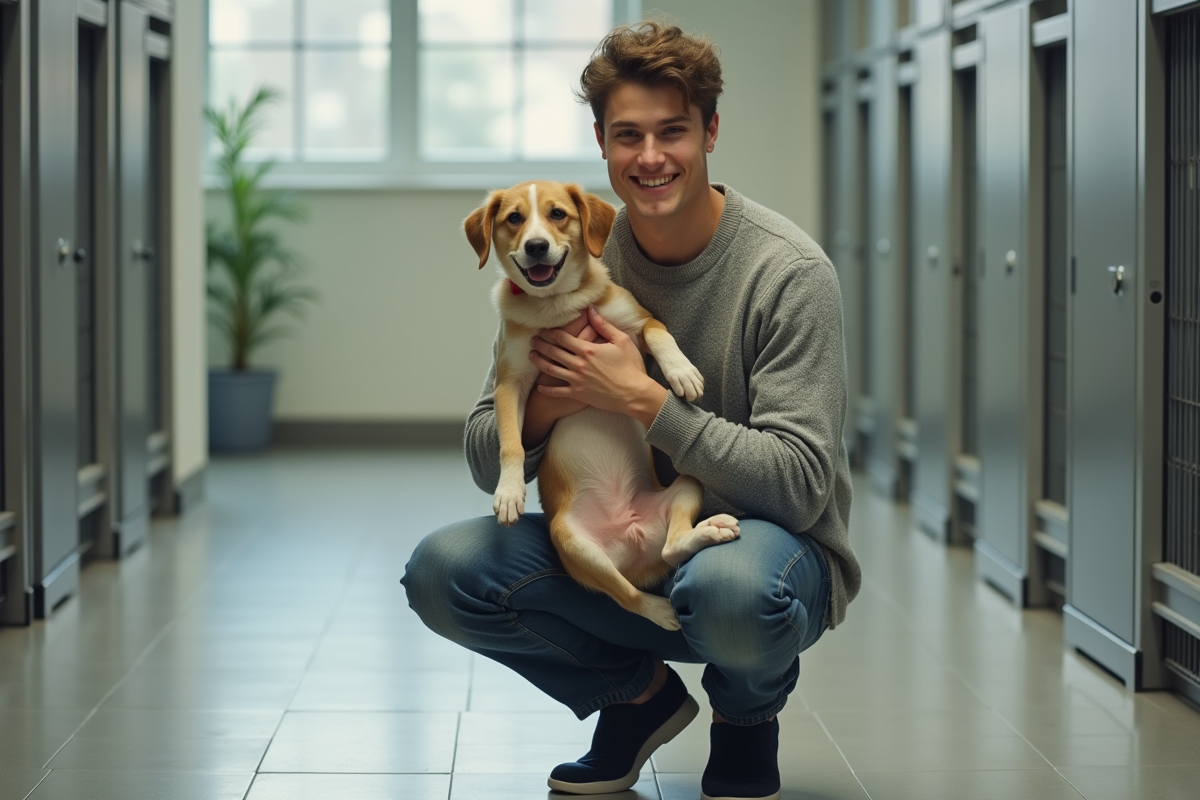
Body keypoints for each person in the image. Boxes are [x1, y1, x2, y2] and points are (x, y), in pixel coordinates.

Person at [402, 21, 860, 800]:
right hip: (617, 530)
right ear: (602, 143)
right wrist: (557, 391)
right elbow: (488, 454)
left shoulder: (787, 274)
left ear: (711, 130)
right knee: (444, 572)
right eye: (628, 136)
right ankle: (636, 699)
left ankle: (746, 719)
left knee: (730, 594)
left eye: (673, 131)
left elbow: (799, 485)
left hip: (763, 549)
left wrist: (642, 399)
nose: (650, 158)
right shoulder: (564, 258)